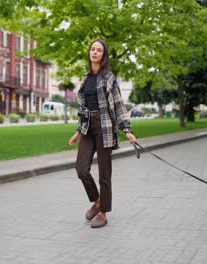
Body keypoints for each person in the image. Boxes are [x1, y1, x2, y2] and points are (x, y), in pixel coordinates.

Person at [69, 39, 137, 228]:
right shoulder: (85, 78)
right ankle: (97, 200)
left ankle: (103, 213)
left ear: (104, 55)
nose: (95, 52)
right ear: (89, 53)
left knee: (104, 175)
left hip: (104, 127)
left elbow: (117, 104)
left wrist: (127, 129)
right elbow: (83, 108)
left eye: (99, 50)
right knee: (81, 169)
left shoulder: (108, 77)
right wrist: (77, 131)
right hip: (87, 127)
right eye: (92, 49)